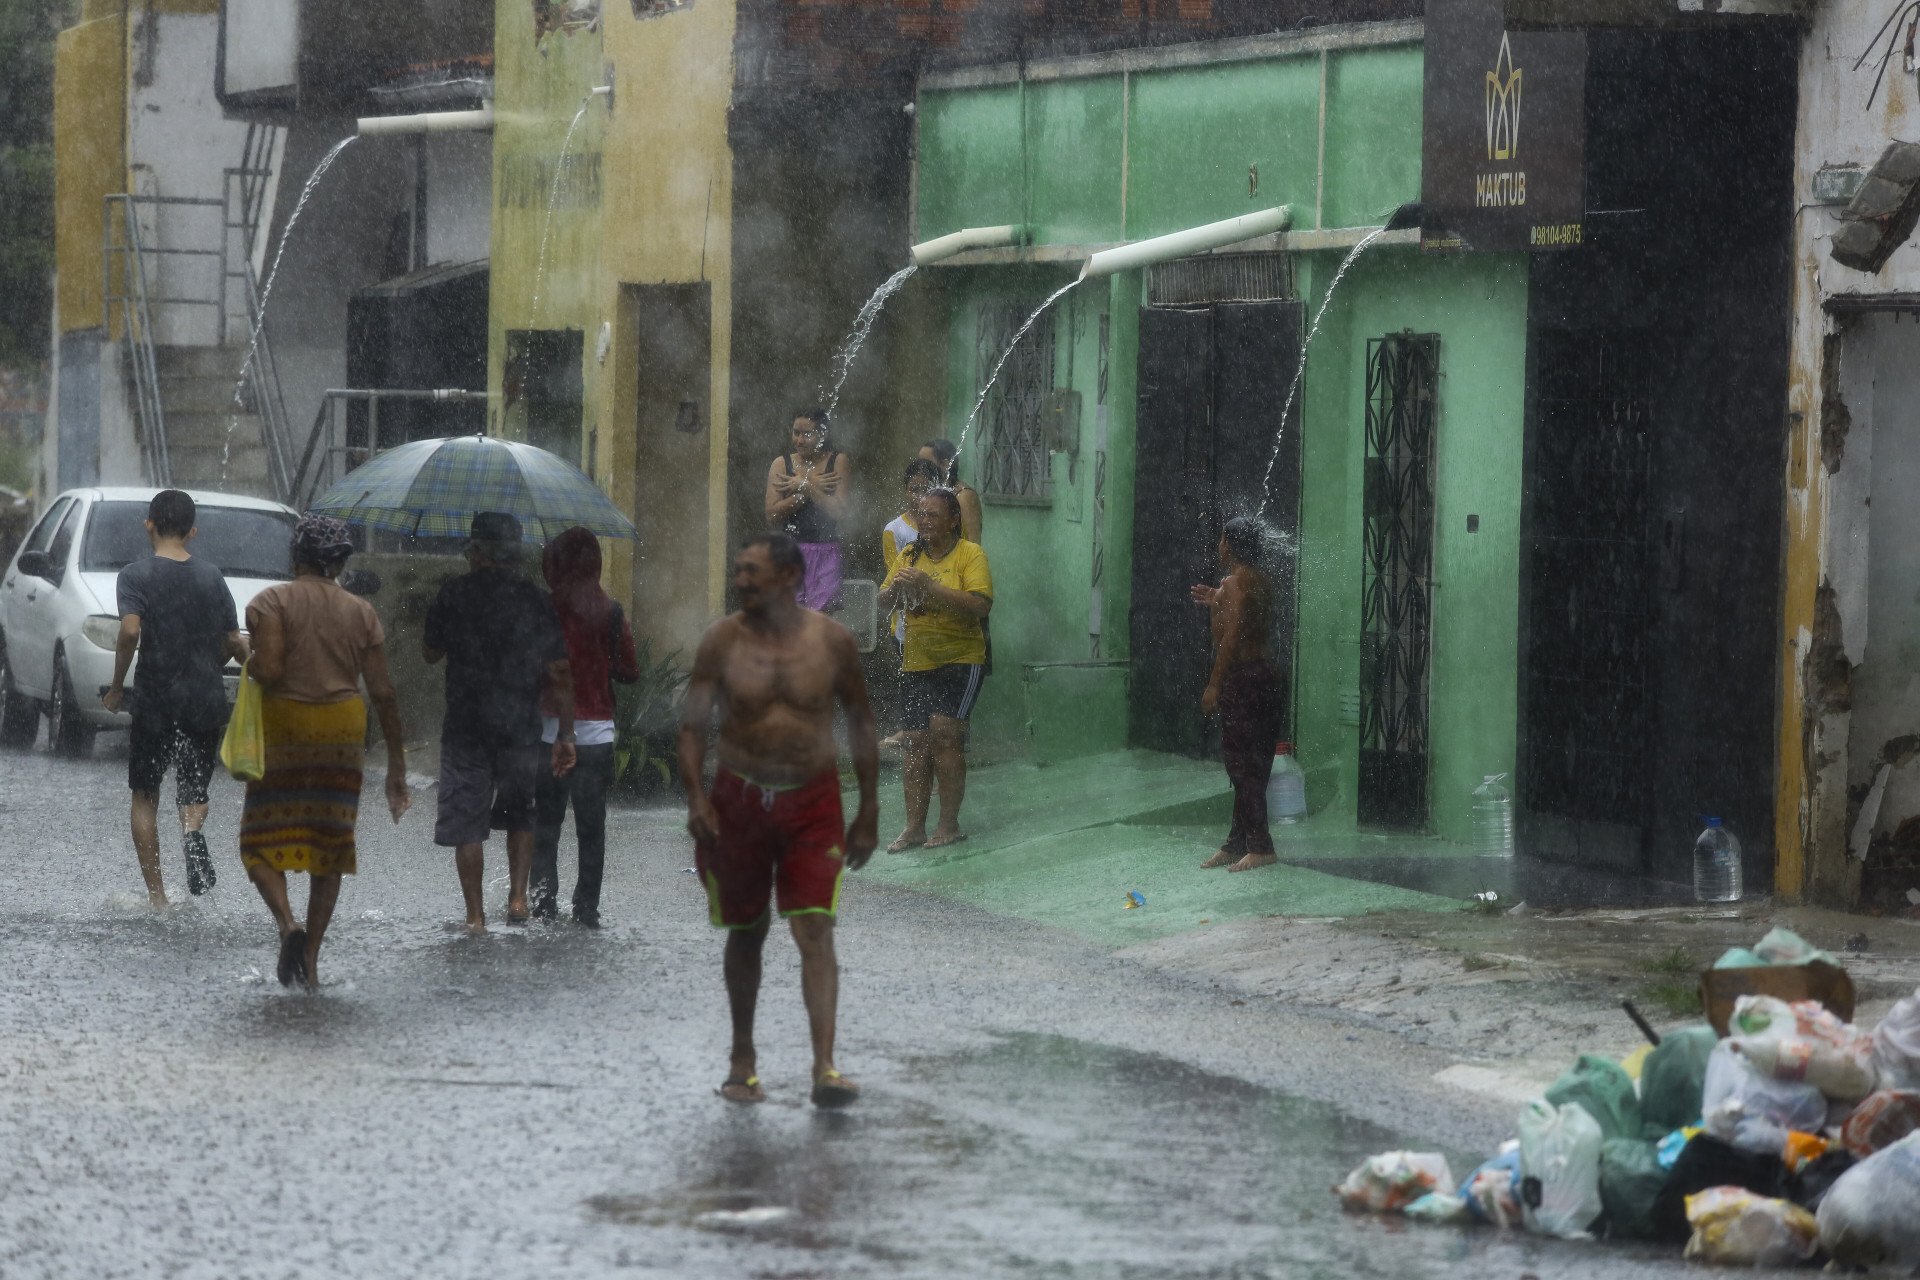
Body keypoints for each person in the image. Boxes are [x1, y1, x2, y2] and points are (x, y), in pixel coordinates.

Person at [678, 531, 879, 1108]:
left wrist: (868, 809)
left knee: (814, 928)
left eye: (751, 572)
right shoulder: (720, 642)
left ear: (790, 578)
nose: (739, 581)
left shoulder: (833, 642)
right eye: (738, 571)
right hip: (738, 801)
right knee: (747, 929)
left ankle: (825, 1067)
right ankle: (742, 1061)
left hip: (812, 801)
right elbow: (691, 727)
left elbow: (861, 721)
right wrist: (696, 797)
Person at [239, 515, 410, 987]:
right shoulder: (362, 613)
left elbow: (269, 670)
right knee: (328, 849)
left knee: (259, 841)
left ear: (296, 556)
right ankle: (311, 961)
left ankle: (287, 924)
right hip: (341, 732)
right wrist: (397, 764)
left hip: (286, 728)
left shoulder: (271, 601)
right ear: (339, 562)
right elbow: (385, 693)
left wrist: (243, 654)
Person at [423, 512, 576, 932]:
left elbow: (430, 653)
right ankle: (518, 899)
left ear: (476, 551)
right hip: (520, 727)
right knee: (520, 813)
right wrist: (565, 733)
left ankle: (475, 916)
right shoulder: (535, 599)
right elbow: (561, 670)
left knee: (467, 821)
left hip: (465, 728)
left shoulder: (453, 594)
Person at [103, 489, 247, 906]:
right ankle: (191, 832)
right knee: (194, 790)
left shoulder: (135, 575)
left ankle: (159, 898)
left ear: (149, 524)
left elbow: (130, 631)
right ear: (192, 531)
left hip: (155, 701)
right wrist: (209, 665)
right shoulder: (212, 577)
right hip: (203, 699)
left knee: (146, 795)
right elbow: (234, 642)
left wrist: (117, 687)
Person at [531, 526, 638, 928]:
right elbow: (629, 670)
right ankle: (586, 907)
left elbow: (532, 665)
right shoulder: (609, 610)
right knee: (592, 827)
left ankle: (543, 903)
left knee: (547, 824)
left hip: (549, 731)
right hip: (597, 734)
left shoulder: (544, 607)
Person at [878, 488, 991, 852]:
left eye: (932, 515)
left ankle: (949, 823)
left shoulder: (970, 554)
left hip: (961, 658)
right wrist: (894, 589)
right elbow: (882, 603)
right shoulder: (909, 554)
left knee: (944, 734)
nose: (924, 522)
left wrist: (929, 586)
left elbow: (979, 605)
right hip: (917, 660)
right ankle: (913, 827)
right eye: (920, 515)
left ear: (954, 520)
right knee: (915, 743)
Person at [1191, 516, 1284, 872]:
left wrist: (1214, 684)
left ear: (1230, 543)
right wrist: (1218, 598)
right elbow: (1248, 617)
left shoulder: (1233, 583)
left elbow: (1231, 639)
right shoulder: (1259, 581)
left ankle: (1260, 845)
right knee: (1254, 761)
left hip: (1243, 680)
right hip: (1268, 677)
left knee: (1240, 763)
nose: (1218, 544)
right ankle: (1237, 842)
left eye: (1221, 538)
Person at [879, 459, 943, 750]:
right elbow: (896, 573)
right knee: (910, 679)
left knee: (938, 678)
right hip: (906, 622)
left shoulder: (948, 528)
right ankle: (911, 731)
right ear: (905, 491)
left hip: (940, 618)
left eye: (926, 489)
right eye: (913, 489)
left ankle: (936, 732)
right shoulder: (895, 530)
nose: (919, 496)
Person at [764, 408, 851, 612]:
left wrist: (805, 485)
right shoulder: (781, 464)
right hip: (790, 552)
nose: (800, 440)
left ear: (823, 435)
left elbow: (839, 511)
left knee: (820, 624)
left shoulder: (837, 461)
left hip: (826, 550)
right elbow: (772, 514)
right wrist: (809, 489)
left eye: (807, 434)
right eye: (796, 433)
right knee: (790, 622)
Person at [918, 439, 983, 545]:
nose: (920, 468)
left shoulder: (963, 495)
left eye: (926, 463)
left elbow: (973, 541)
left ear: (945, 464)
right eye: (919, 462)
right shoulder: (931, 492)